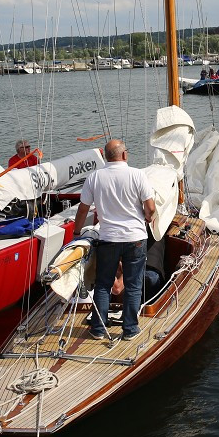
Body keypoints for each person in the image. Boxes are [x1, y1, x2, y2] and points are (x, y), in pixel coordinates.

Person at [72, 139, 155, 341]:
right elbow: (150, 208)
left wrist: (76, 233)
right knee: (133, 284)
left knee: (103, 284)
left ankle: (98, 329)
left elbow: (83, 209)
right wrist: (148, 218)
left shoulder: (95, 177)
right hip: (135, 238)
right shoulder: (137, 175)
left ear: (106, 157)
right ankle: (129, 330)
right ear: (124, 155)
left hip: (108, 238)